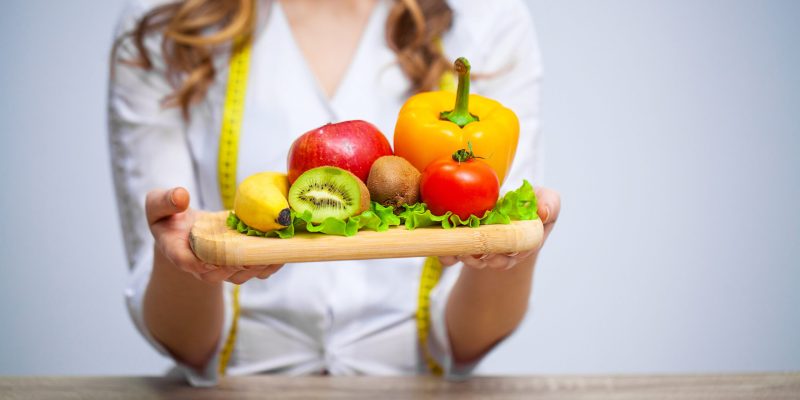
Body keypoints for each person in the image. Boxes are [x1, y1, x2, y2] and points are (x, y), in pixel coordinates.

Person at [109, 0, 560, 386]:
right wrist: (182, 261)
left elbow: (472, 338)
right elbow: (183, 342)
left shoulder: (488, 17)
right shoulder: (166, 24)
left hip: (418, 387)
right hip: (233, 387)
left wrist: (507, 250)